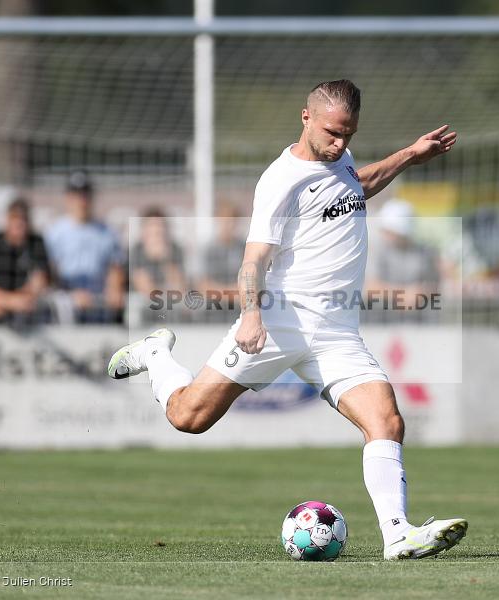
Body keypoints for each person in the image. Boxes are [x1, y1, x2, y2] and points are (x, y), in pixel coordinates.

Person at [107, 80, 467, 559]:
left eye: (349, 135)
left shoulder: (339, 159)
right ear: (305, 117)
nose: (341, 144)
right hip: (279, 322)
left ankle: (397, 534)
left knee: (387, 421)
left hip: (336, 333)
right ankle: (155, 353)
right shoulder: (280, 180)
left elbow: (355, 186)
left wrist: (408, 156)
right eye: (332, 133)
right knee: (188, 417)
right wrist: (251, 314)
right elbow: (254, 260)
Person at [45, 171, 125, 323]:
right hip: (66, 301)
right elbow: (49, 272)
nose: (81, 201)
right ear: (68, 198)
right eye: (76, 195)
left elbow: (116, 268)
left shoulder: (107, 232)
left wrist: (114, 289)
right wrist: (70, 294)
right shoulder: (55, 232)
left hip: (99, 301)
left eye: (85, 195)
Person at [0, 197, 51, 325]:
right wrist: (10, 302)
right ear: (7, 220)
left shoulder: (36, 242)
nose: (19, 223)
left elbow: (40, 282)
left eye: (23, 219)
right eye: (15, 218)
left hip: (27, 313)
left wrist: (13, 302)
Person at [366, 199, 440, 322]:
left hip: (416, 320)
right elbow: (370, 288)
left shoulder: (424, 252)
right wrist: (403, 294)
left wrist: (422, 293)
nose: (390, 235)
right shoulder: (375, 249)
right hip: (378, 319)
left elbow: (437, 285)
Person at [130, 207, 187, 299]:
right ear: (144, 231)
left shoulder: (176, 250)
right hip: (144, 307)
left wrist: (164, 258)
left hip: (170, 306)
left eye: (160, 226)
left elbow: (180, 288)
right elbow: (145, 288)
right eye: (152, 226)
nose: (157, 231)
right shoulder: (136, 251)